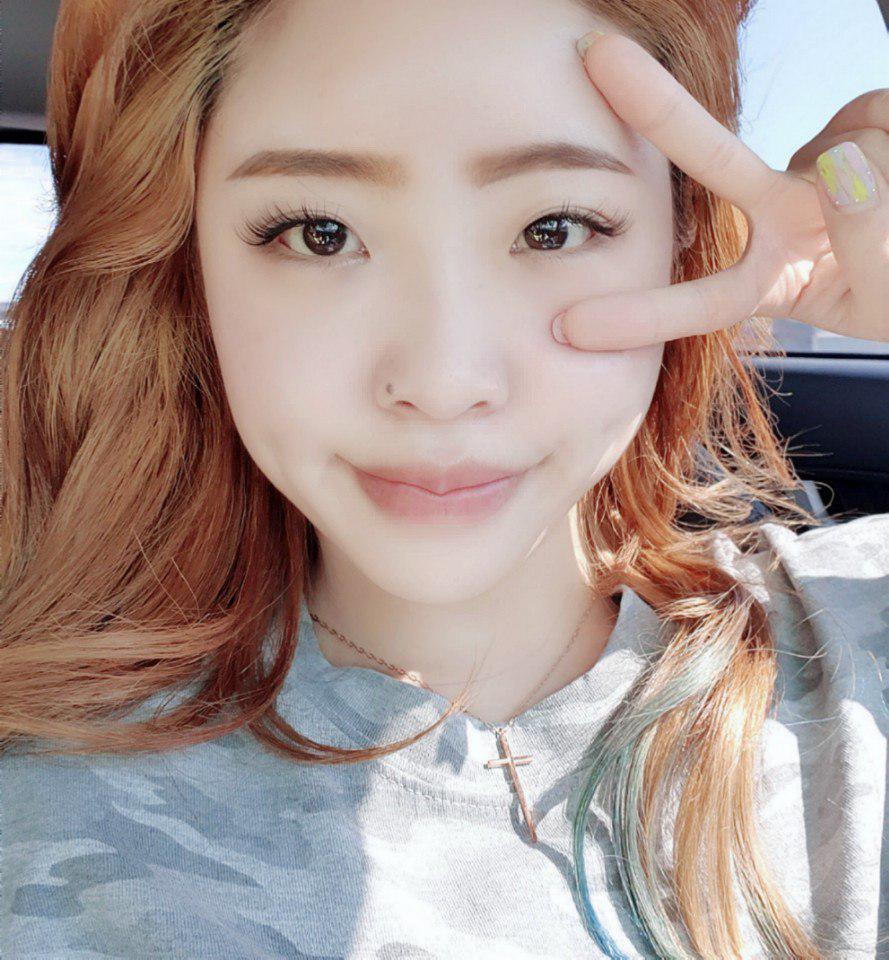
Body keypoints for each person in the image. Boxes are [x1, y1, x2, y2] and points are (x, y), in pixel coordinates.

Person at [0, 0, 886, 958]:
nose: (442, 380)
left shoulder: (856, 655)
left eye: (552, 228)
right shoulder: (40, 802)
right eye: (319, 233)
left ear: (680, 239)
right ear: (193, 268)